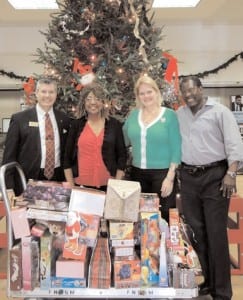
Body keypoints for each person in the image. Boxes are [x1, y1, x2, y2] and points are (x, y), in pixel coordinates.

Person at [177, 75, 243, 300]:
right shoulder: (180, 115)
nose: (188, 95)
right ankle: (208, 282)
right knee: (197, 234)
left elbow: (235, 144)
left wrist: (231, 174)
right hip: (188, 178)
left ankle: (222, 292)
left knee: (216, 235)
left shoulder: (220, 112)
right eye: (184, 92)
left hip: (216, 177)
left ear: (200, 89)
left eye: (191, 90)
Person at [123, 75, 181, 222]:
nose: (146, 96)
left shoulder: (169, 116)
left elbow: (176, 148)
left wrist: (170, 177)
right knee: (141, 217)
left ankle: (164, 245)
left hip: (162, 176)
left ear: (156, 92)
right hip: (137, 175)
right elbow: (123, 140)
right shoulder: (134, 115)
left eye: (149, 92)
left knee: (163, 217)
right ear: (138, 96)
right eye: (141, 93)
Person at [2, 77, 71, 195]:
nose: (47, 95)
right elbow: (9, 156)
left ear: (56, 94)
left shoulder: (64, 119)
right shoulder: (20, 119)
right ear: (36, 93)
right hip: (28, 179)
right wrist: (8, 188)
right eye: (43, 91)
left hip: (57, 179)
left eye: (51, 92)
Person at [63, 83, 127, 191]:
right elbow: (67, 159)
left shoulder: (114, 124)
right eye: (89, 99)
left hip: (108, 186)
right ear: (84, 102)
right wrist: (72, 187)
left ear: (103, 102)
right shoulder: (76, 125)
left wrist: (116, 184)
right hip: (80, 186)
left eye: (97, 99)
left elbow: (122, 156)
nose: (93, 102)